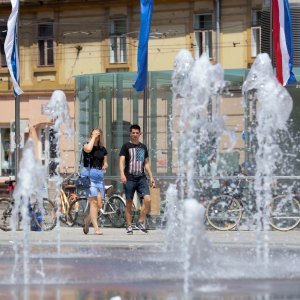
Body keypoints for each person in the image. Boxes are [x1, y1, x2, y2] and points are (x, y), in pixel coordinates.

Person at [119, 124, 155, 234]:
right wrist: (122, 174)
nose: (135, 135)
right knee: (129, 202)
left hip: (141, 178)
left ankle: (140, 221)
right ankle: (129, 226)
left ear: (140, 134)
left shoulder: (143, 147)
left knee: (148, 199)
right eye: (133, 133)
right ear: (130, 134)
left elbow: (146, 163)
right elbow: (121, 161)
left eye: (136, 133)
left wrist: (151, 176)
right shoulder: (126, 146)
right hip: (129, 177)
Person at [81, 128, 108, 235]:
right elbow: (88, 149)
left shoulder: (103, 149)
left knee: (99, 205)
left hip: (99, 177)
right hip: (89, 176)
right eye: (94, 132)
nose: (97, 134)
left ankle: (87, 222)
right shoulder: (86, 145)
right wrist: (93, 138)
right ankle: (96, 228)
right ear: (91, 134)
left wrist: (105, 166)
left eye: (98, 132)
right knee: (94, 202)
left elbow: (105, 163)